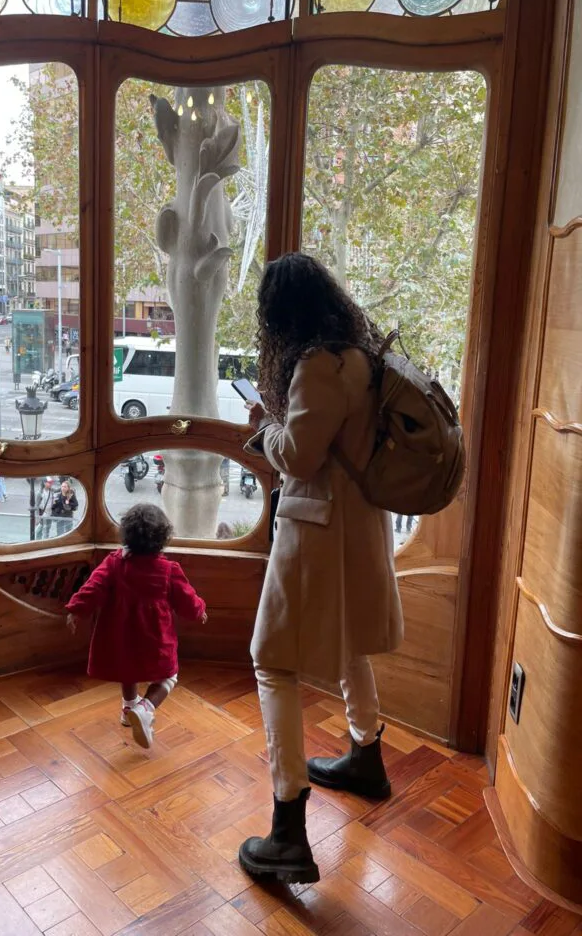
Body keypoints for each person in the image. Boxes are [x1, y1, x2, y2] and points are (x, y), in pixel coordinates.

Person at [237, 253, 403, 886]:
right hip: (360, 527)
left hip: (315, 531)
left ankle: (288, 827)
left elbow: (300, 458)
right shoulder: (360, 359)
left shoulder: (316, 365)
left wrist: (265, 427)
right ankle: (366, 755)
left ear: (282, 313)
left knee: (271, 662)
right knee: (349, 639)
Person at [65, 503, 207, 749]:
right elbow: (187, 599)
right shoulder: (168, 570)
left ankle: (128, 707)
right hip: (154, 639)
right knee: (169, 675)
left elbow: (93, 587)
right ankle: (144, 708)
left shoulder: (114, 563)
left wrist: (76, 609)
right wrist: (199, 610)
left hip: (119, 635)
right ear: (162, 539)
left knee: (127, 670)